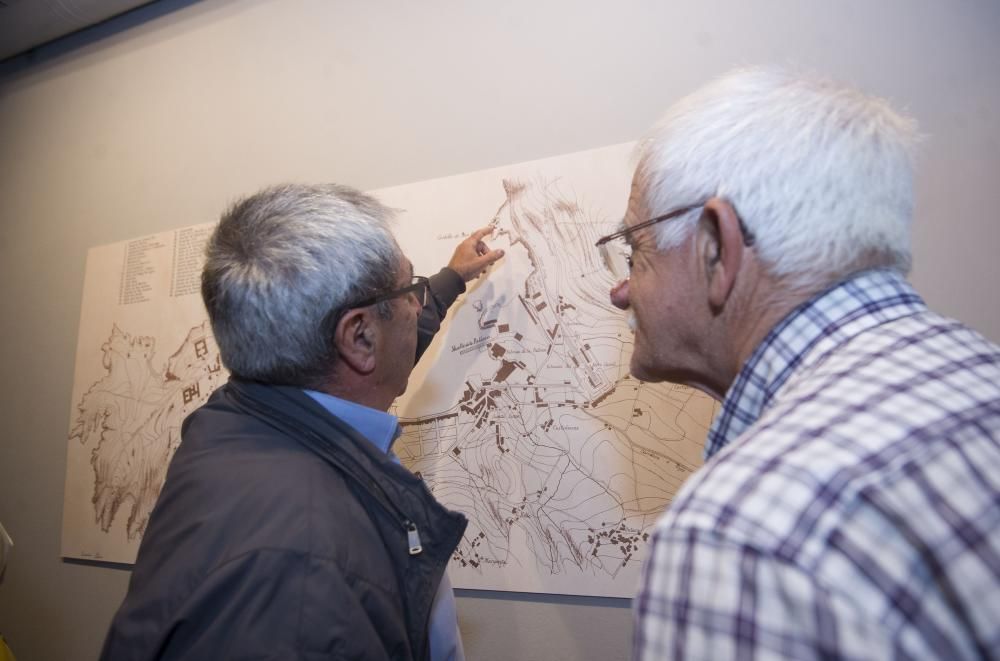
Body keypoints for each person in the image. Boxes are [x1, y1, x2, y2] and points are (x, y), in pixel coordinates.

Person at [597, 68, 1000, 660]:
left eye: (635, 250)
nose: (621, 291)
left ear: (716, 248)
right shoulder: (977, 373)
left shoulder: (739, 536)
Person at [100, 183, 504, 660]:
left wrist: (449, 280)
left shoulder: (243, 418)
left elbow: (374, 353)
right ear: (359, 337)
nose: (417, 305)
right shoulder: (300, 579)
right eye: (410, 290)